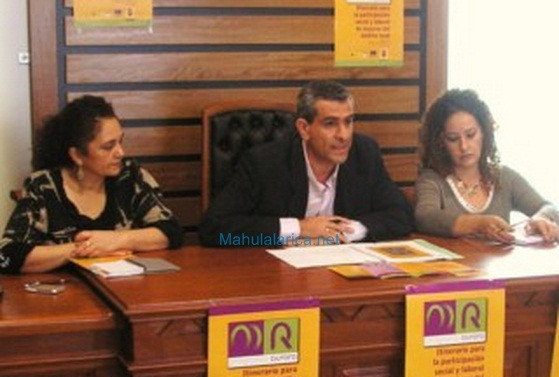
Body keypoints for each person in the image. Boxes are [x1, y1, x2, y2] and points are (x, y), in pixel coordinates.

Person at [199, 80, 413, 246]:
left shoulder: (364, 153)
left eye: (348, 122)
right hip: (277, 277)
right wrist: (299, 229)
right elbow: (214, 231)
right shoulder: (264, 163)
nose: (344, 135)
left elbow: (401, 216)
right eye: (330, 124)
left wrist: (349, 231)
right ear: (304, 128)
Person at [0, 95, 183, 274]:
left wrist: (116, 240)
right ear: (77, 155)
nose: (120, 152)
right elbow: (7, 255)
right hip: (64, 289)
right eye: (108, 146)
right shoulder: (43, 186)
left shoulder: (130, 176)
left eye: (120, 142)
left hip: (125, 287)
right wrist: (83, 249)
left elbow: (171, 231)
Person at [415, 88, 559, 243]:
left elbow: (549, 207)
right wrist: (478, 224)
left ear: (484, 132)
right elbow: (425, 217)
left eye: (471, 135)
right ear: (440, 142)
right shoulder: (432, 179)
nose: (464, 146)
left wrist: (541, 218)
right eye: (453, 138)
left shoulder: (504, 177)